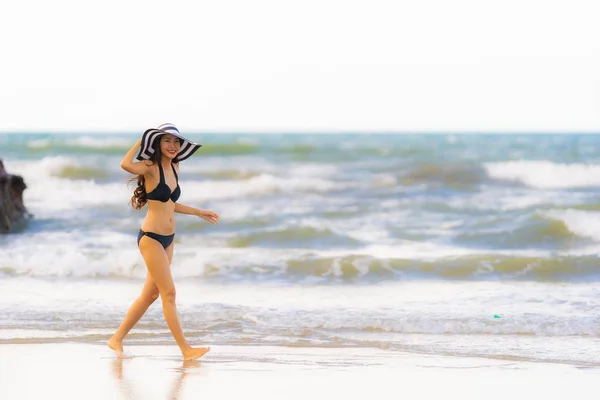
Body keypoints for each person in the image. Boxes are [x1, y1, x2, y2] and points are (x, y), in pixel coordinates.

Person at [108, 123, 219, 360]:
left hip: (169, 239)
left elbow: (170, 204)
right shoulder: (150, 167)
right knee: (169, 293)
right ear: (157, 143)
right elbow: (125, 164)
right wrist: (142, 141)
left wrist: (198, 211)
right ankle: (186, 350)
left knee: (150, 295)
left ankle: (116, 338)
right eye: (167, 140)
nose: (172, 146)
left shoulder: (175, 167)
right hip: (150, 239)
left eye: (176, 142)